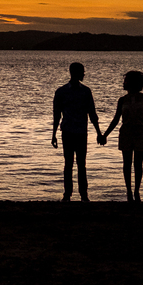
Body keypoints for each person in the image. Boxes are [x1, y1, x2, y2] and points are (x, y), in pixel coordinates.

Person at [51, 62, 105, 201]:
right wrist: (54, 134)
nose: (84, 74)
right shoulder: (62, 91)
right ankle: (68, 194)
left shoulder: (85, 91)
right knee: (69, 163)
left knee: (80, 163)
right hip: (69, 132)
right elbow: (57, 115)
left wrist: (99, 132)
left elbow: (92, 113)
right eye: (82, 72)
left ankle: (82, 194)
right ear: (74, 73)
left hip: (80, 132)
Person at [101, 70, 143, 202]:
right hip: (125, 132)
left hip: (141, 132)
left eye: (126, 80)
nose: (124, 83)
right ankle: (129, 192)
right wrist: (105, 135)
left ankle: (137, 191)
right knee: (127, 164)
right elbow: (116, 119)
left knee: (138, 163)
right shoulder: (122, 100)